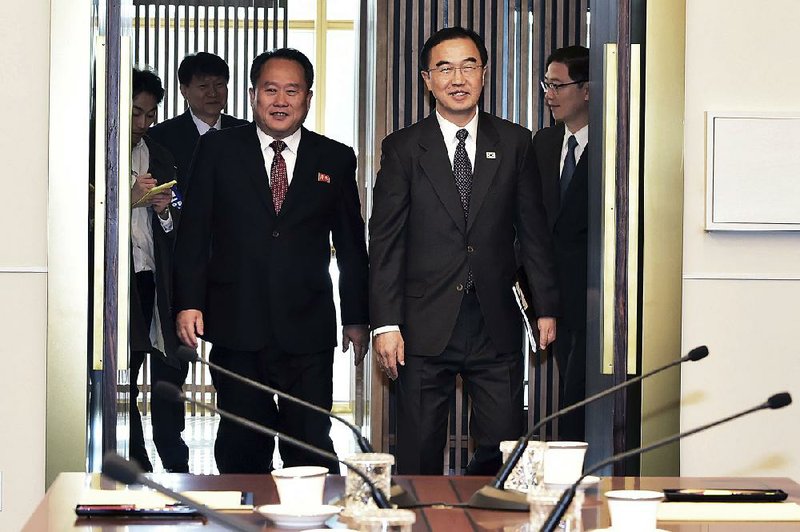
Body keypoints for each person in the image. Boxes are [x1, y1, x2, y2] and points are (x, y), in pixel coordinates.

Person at [369, 26, 560, 475]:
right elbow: (386, 241)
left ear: (485, 73)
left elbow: (533, 232)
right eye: (445, 67)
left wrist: (545, 306)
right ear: (427, 79)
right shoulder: (402, 148)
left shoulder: (515, 142)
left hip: (495, 319)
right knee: (418, 453)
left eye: (469, 65)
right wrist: (386, 324)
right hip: (421, 323)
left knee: (505, 448)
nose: (458, 78)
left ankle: (482, 514)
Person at [172, 48, 370, 474]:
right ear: (252, 95)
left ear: (308, 98)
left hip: (308, 328)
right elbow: (193, 234)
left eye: (292, 91)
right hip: (236, 325)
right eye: (271, 90)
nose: (281, 100)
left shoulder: (334, 157)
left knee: (310, 444)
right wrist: (189, 302)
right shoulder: (217, 150)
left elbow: (352, 244)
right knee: (243, 445)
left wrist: (356, 316)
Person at [128, 67, 190, 473]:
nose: (145, 123)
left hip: (155, 277)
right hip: (117, 280)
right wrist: (126, 200)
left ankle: (173, 459)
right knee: (123, 376)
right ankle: (136, 463)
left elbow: (180, 217)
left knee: (168, 374)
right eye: (137, 113)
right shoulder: (92, 148)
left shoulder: (160, 153)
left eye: (150, 114)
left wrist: (166, 212)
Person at [533, 45, 590, 441]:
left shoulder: (614, 146)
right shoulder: (543, 143)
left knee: (580, 404)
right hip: (552, 299)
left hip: (595, 298)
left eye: (558, 85)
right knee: (566, 391)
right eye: (545, 85)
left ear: (587, 90)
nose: (549, 95)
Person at [148, 52, 247, 191]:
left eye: (219, 84)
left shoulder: (246, 132)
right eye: (203, 86)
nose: (212, 93)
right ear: (184, 90)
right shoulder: (159, 137)